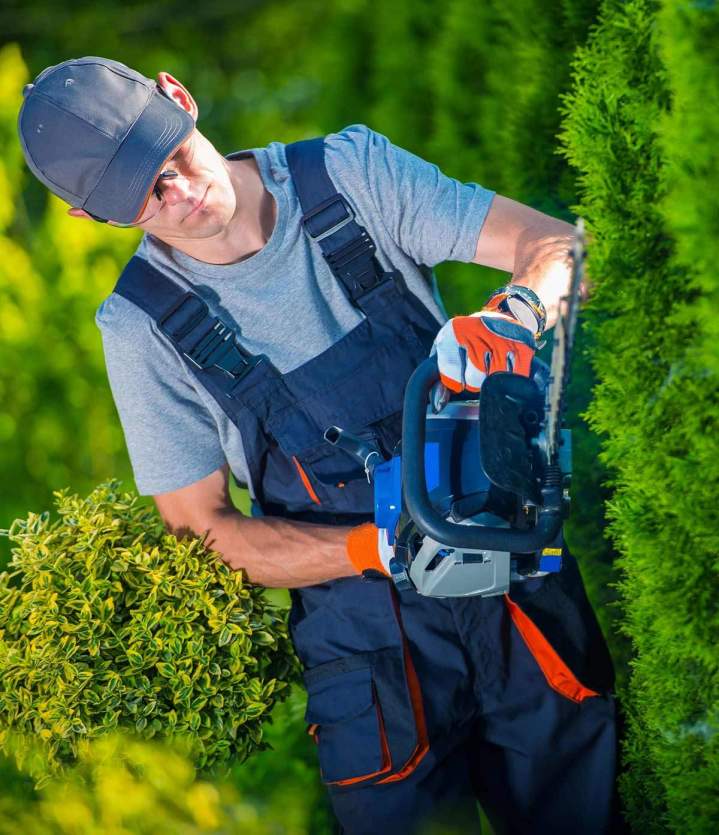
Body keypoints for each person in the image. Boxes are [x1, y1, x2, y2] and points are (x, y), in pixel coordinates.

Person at [18, 57, 620, 834]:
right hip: (368, 658)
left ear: (179, 97)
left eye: (166, 156)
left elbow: (559, 247)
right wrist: (377, 548)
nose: (178, 191)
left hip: (514, 589)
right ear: (89, 218)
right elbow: (205, 535)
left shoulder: (346, 175)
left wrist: (516, 311)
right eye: (143, 196)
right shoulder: (141, 328)